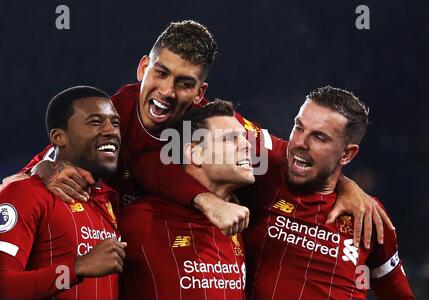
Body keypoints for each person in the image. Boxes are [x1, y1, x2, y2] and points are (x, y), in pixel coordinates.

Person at [5, 21, 389, 247]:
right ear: (143, 68)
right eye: (161, 73)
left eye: (185, 83)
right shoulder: (108, 115)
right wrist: (42, 171)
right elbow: (33, 172)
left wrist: (346, 184)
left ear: (199, 94)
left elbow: (295, 150)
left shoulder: (216, 127)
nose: (168, 91)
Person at [240, 86, 414, 299]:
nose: (299, 143)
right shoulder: (268, 162)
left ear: (347, 155)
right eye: (298, 127)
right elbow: (201, 118)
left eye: (319, 137)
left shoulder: (368, 215)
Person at [0, 86, 126, 299]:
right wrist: (76, 268)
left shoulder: (108, 201)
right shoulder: (24, 193)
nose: (111, 131)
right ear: (59, 137)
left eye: (115, 123)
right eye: (95, 122)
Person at [120, 100, 253, 299]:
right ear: (196, 154)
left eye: (244, 137)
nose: (247, 144)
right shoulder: (140, 221)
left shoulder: (237, 221)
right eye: (230, 138)